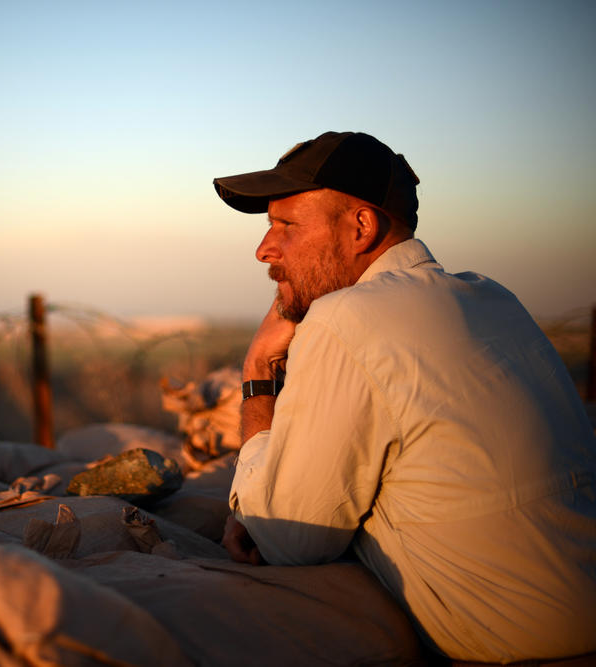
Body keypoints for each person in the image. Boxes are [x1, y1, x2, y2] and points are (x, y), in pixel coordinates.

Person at [213, 131, 596, 663]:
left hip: (523, 650)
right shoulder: (492, 296)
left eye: (287, 226)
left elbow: (286, 539)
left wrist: (258, 371)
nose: (264, 249)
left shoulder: (348, 318)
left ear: (361, 227)